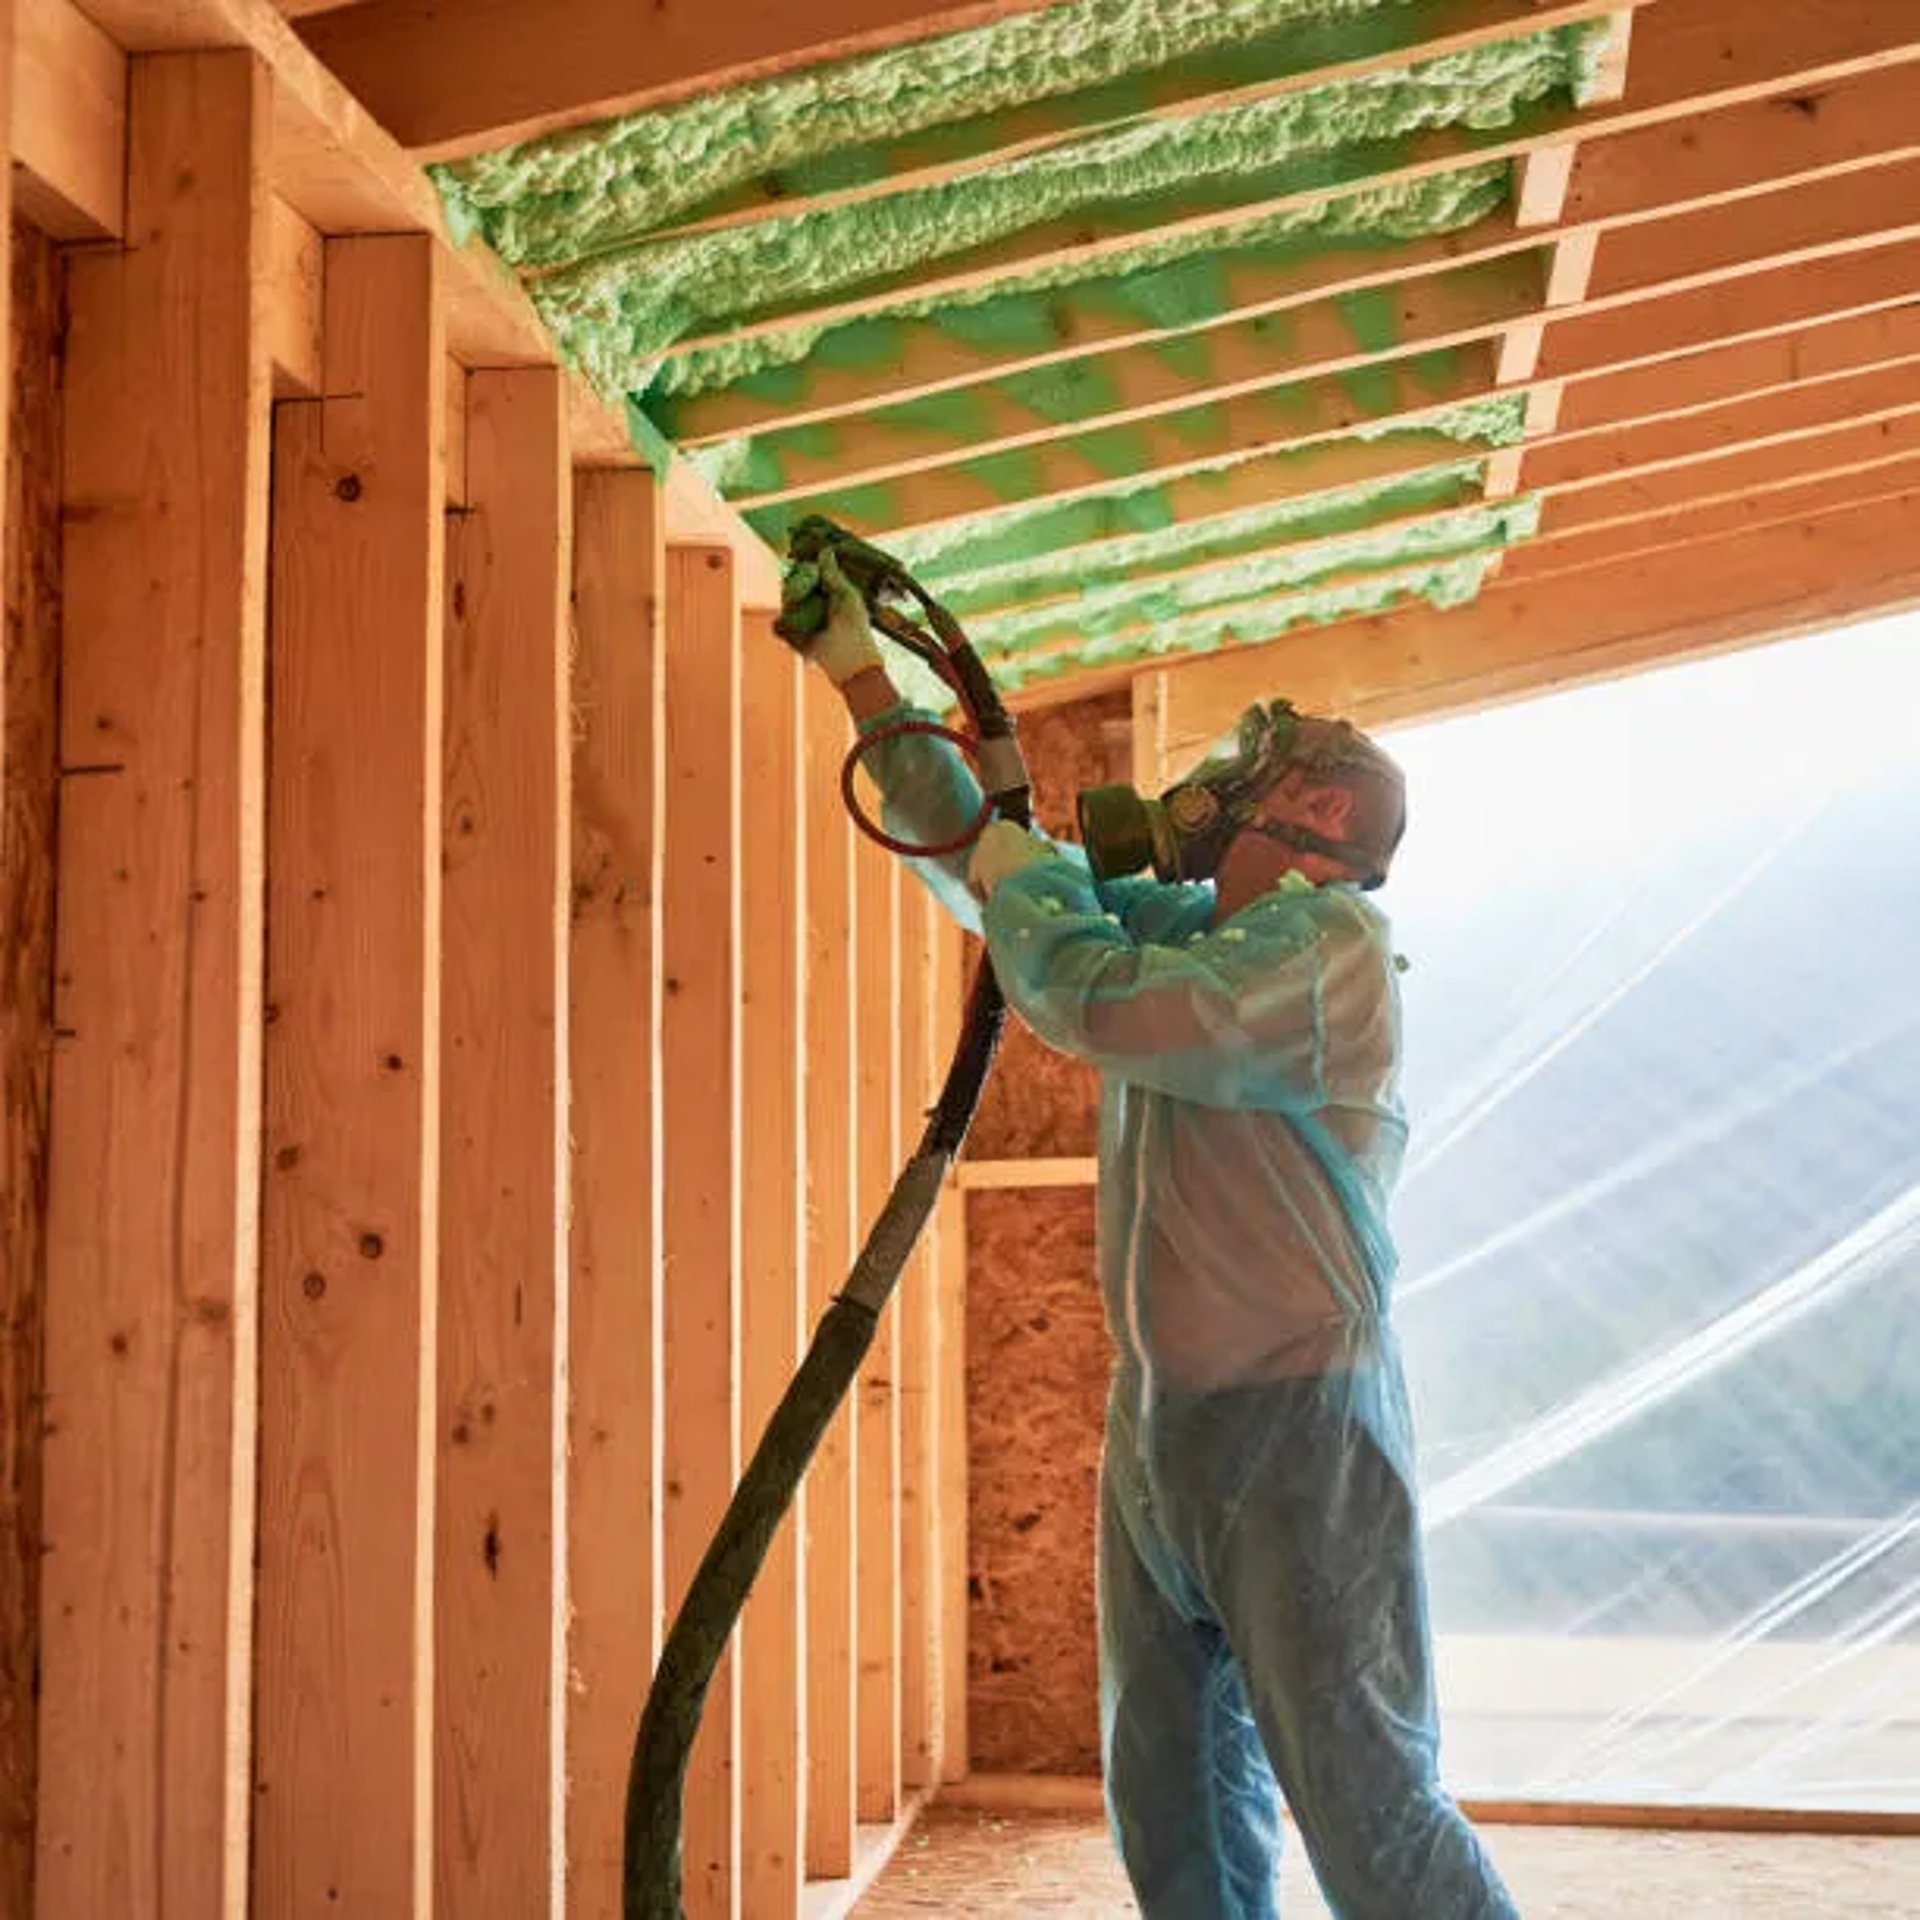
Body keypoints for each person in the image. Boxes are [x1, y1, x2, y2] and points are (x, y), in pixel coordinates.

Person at [795, 554, 1518, 1920]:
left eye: (1252, 765)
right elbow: (983, 865)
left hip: (1303, 1430)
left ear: (1314, 807)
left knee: (1365, 1799)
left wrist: (1031, 877)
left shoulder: (1325, 956)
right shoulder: (1196, 926)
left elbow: (1093, 995)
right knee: (1174, 1798)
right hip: (1164, 1428)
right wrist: (859, 677)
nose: (1216, 780)